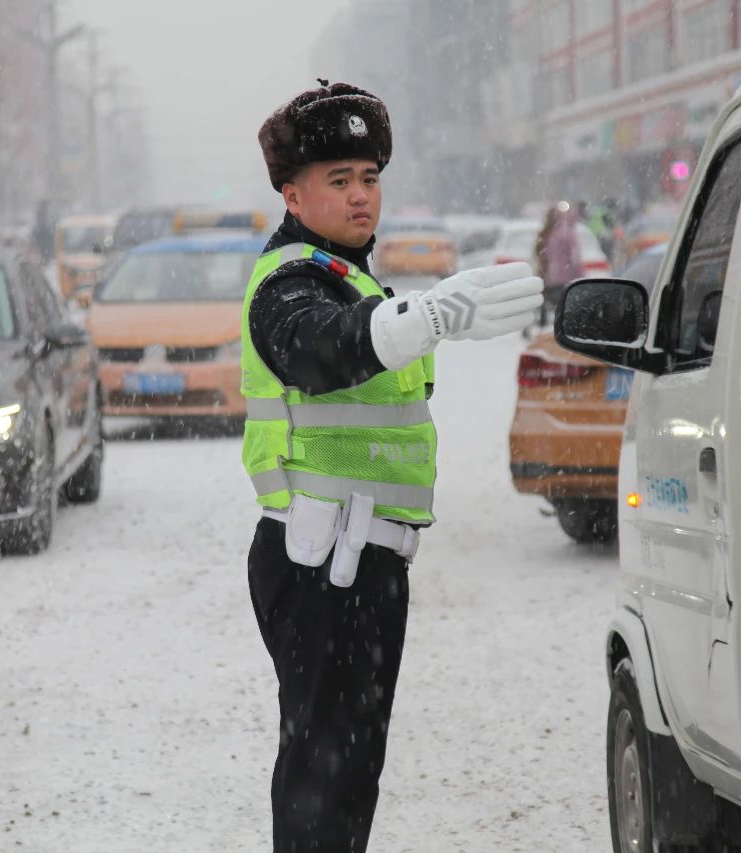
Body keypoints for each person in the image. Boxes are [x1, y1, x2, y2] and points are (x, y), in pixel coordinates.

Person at [242, 80, 544, 852]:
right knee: (321, 771)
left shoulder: (354, 278)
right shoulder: (287, 280)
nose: (359, 196)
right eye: (337, 181)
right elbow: (320, 346)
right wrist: (424, 317)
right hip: (319, 561)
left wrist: (417, 316)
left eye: (369, 178)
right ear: (292, 193)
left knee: (350, 771)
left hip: (363, 561)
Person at [533, 201, 584, 329]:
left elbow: (541, 255)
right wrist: (581, 277)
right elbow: (574, 259)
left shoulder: (546, 233)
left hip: (550, 278)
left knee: (552, 310)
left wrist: (543, 272)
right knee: (564, 314)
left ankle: (545, 329)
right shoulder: (567, 234)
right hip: (565, 279)